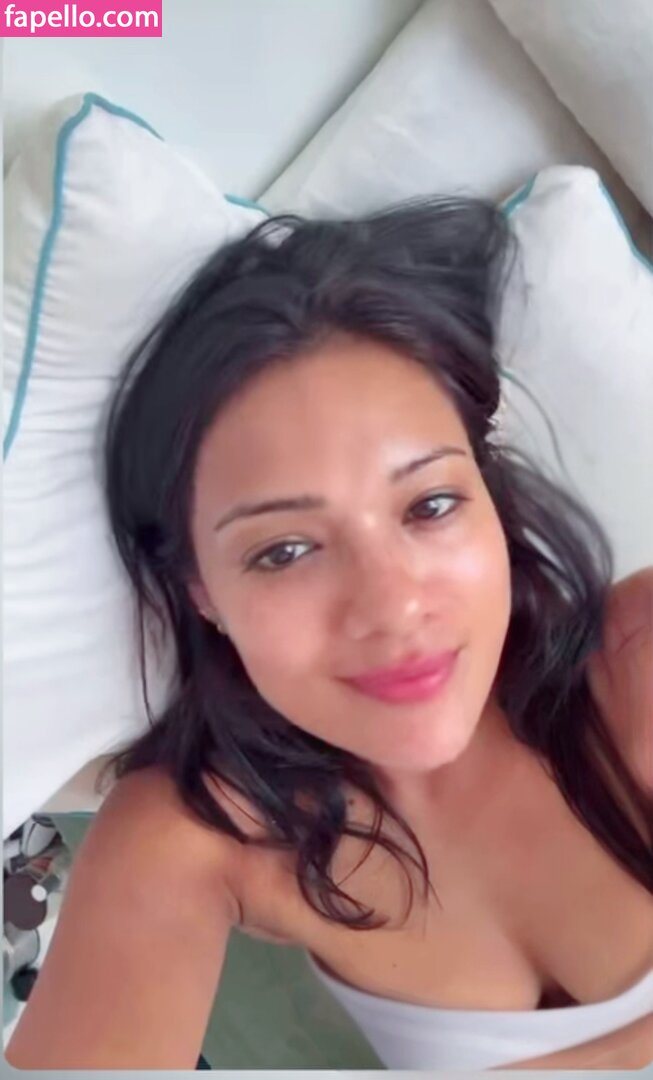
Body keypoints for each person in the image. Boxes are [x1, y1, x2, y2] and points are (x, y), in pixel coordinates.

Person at [6, 197, 652, 1070]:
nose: (391, 607)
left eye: (429, 504)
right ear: (201, 593)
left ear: (488, 498)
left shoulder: (635, 656)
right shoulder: (191, 834)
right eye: (284, 551)